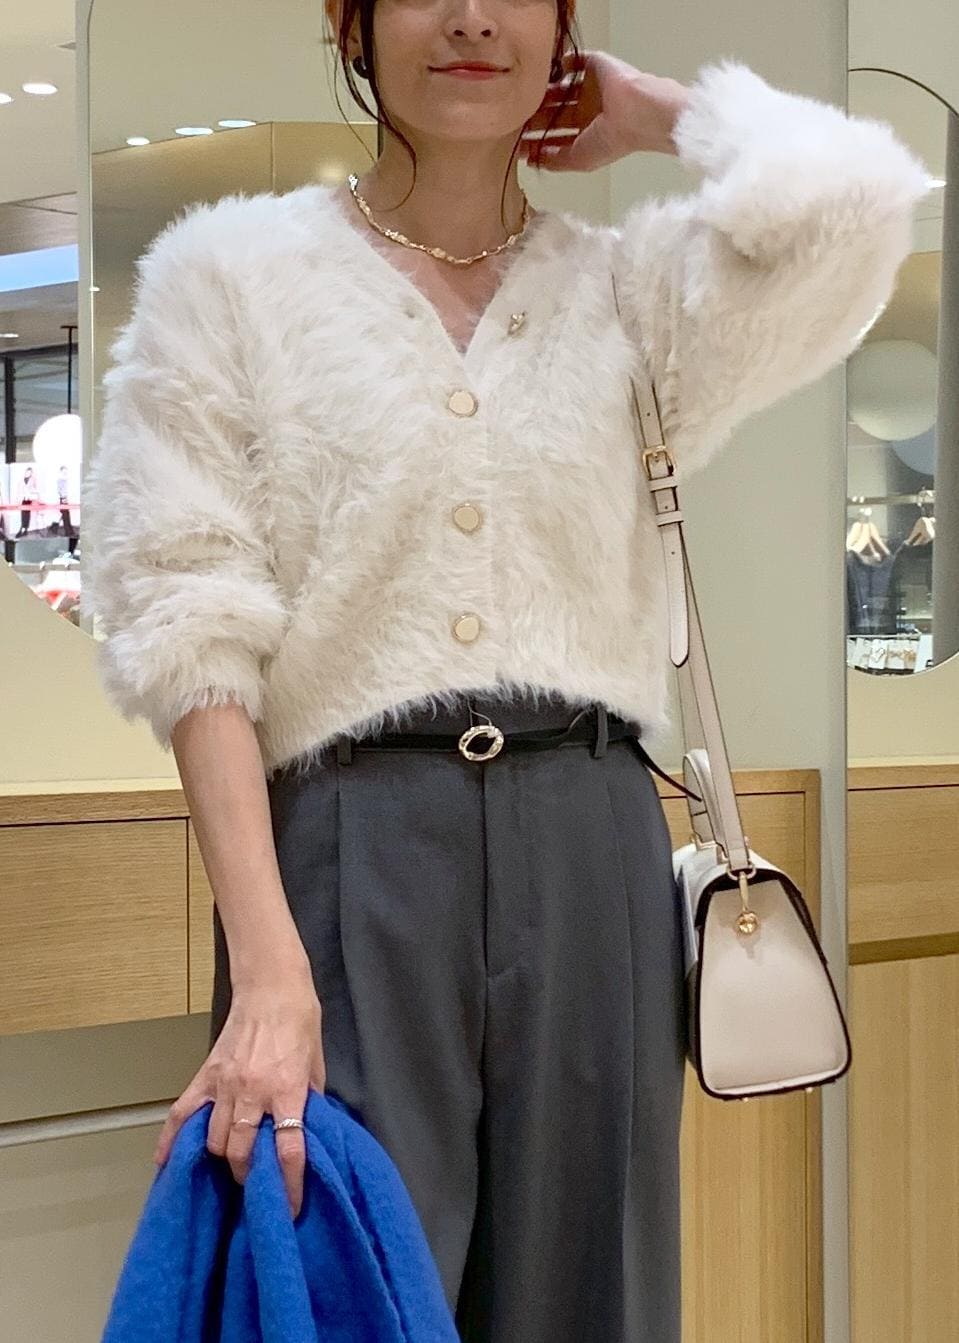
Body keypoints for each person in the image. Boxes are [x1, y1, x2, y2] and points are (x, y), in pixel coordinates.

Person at [79, 2, 930, 1339]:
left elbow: (861, 206)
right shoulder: (230, 276)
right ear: (352, 23)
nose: (473, 16)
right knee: (352, 1287)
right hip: (351, 848)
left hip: (590, 836)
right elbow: (189, 619)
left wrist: (659, 114)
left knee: (594, 1294)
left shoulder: (631, 292)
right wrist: (270, 972)